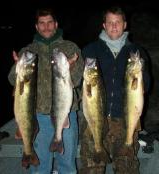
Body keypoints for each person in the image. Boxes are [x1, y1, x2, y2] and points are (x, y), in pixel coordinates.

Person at [8, 7, 84, 174]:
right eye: (42, 23)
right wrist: (17, 68)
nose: (46, 27)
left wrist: (69, 70)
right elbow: (13, 79)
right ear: (36, 27)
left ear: (56, 24)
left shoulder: (70, 48)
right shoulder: (28, 51)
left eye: (49, 22)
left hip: (66, 113)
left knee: (67, 165)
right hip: (37, 115)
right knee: (40, 167)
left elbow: (78, 79)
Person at [79, 6, 150, 174]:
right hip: (94, 117)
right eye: (110, 22)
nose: (114, 26)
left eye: (118, 22)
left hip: (125, 118)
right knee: (91, 168)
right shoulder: (90, 50)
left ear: (125, 24)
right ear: (104, 25)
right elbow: (79, 82)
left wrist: (140, 74)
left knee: (126, 168)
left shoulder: (137, 52)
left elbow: (146, 86)